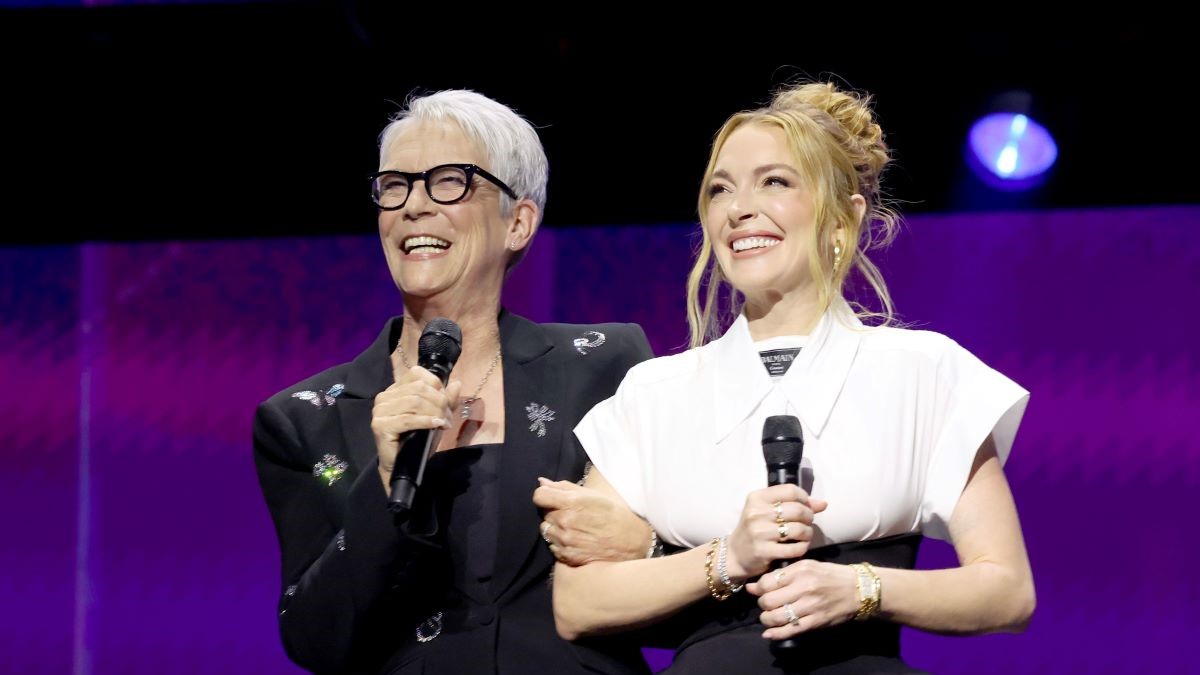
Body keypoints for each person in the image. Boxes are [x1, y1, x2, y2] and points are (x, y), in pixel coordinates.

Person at [544, 82, 1035, 673]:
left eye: (774, 182)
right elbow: (577, 604)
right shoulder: (655, 392)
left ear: (841, 218)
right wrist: (729, 556)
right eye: (721, 189)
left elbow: (1007, 590)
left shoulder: (922, 371)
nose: (738, 207)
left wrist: (861, 589)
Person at [253, 89, 654, 674]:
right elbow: (315, 638)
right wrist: (384, 482)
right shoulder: (304, 418)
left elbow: (689, 563)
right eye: (396, 185)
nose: (413, 205)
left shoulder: (604, 366)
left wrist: (644, 547)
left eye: (449, 180)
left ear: (518, 222)